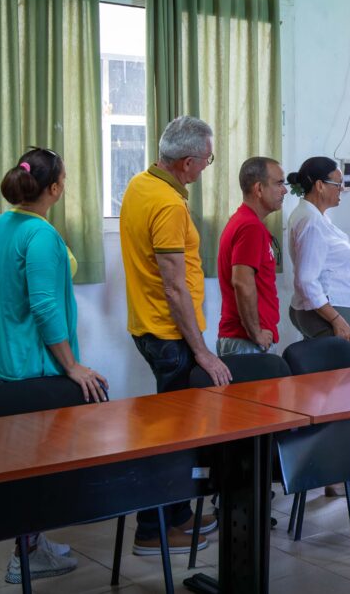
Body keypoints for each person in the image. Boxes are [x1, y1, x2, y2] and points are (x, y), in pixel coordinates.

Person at [0, 147, 109, 583]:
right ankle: (25, 558)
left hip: (7, 363)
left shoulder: (3, 225)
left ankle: (32, 543)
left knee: (24, 462)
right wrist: (73, 366)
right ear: (54, 188)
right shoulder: (40, 236)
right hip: (33, 369)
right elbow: (42, 306)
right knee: (36, 468)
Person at [119, 115, 231, 556]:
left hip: (149, 328)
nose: (207, 167)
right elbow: (173, 285)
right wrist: (201, 351)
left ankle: (179, 515)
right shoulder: (168, 205)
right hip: (170, 336)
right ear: (186, 163)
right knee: (174, 437)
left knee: (177, 430)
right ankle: (154, 528)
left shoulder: (140, 185)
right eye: (206, 160)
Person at [286, 157, 350, 349]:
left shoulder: (313, 216)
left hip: (325, 305)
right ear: (319, 185)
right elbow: (306, 279)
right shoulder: (312, 221)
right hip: (330, 307)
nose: (342, 189)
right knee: (345, 374)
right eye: (338, 184)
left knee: (326, 374)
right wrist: (336, 319)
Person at [216, 157, 287, 356]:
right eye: (279, 183)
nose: (285, 191)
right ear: (259, 189)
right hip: (246, 342)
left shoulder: (245, 222)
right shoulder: (250, 227)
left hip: (244, 340)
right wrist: (255, 333)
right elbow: (242, 282)